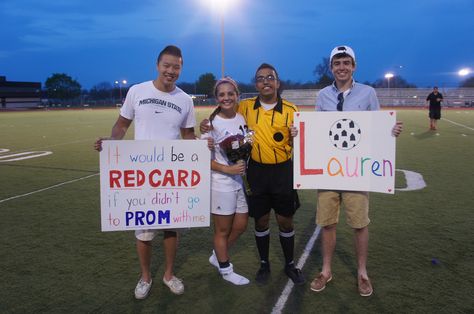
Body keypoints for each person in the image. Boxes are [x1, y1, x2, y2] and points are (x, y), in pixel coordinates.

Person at [94, 45, 196, 299]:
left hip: (171, 174)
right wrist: (110, 143)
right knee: (144, 230)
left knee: (172, 228)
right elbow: (122, 124)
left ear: (181, 68)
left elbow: (189, 135)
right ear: (158, 65)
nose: (171, 71)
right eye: (167, 65)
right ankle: (145, 277)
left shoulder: (184, 100)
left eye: (176, 67)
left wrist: (200, 151)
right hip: (143, 175)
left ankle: (169, 275)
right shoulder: (137, 91)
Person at [310, 45, 403, 297]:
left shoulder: (368, 93)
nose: (342, 67)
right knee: (327, 223)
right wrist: (301, 133)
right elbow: (318, 129)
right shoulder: (322, 96)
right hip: (329, 170)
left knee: (359, 224)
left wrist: (390, 130)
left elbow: (376, 126)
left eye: (346, 63)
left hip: (356, 170)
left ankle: (362, 272)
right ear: (331, 67)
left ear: (354, 66)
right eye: (337, 63)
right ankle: (326, 270)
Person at [203, 64, 304, 285]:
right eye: (260, 78)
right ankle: (264, 264)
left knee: (285, 221)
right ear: (256, 84)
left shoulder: (291, 109)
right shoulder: (246, 107)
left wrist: (297, 135)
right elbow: (222, 112)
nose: (265, 81)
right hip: (256, 171)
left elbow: (304, 142)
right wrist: (205, 125)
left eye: (270, 77)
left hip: (283, 171)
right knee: (261, 221)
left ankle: (289, 264)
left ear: (277, 82)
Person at [203, 77, 250, 285]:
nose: (226, 97)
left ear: (237, 95)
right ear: (216, 98)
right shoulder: (210, 125)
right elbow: (204, 159)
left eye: (230, 93)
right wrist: (227, 168)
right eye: (222, 94)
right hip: (221, 182)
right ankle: (225, 269)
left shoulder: (241, 117)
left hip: (238, 181)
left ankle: (217, 254)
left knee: (241, 224)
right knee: (222, 230)